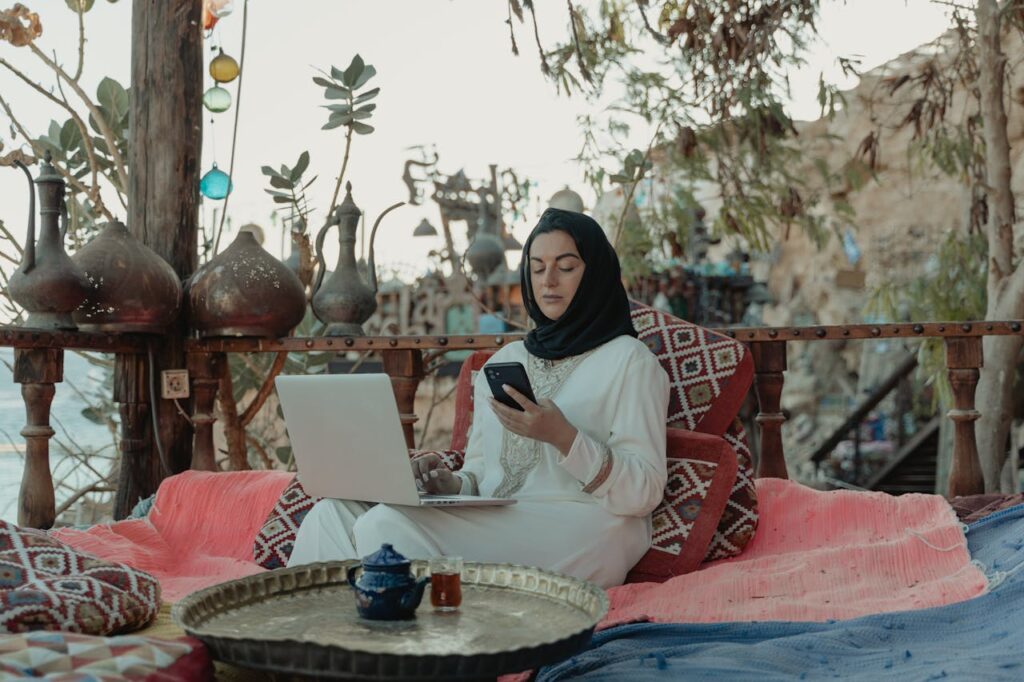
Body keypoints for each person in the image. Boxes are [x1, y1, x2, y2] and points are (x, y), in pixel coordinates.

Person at [287, 208, 670, 588]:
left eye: (566, 267)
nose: (548, 280)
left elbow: (644, 492)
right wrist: (451, 485)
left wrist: (562, 437)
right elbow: (484, 475)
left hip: (585, 526)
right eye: (537, 268)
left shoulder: (630, 361)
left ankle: (402, 640)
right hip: (501, 520)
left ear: (595, 274)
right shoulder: (507, 361)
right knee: (331, 515)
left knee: (385, 526)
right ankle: (300, 640)